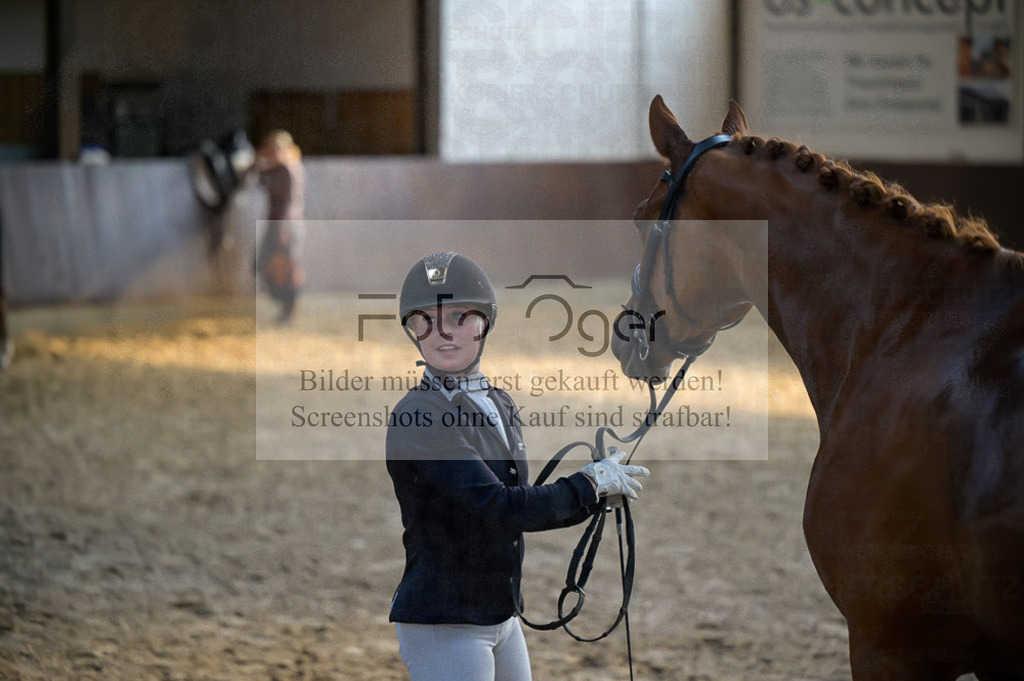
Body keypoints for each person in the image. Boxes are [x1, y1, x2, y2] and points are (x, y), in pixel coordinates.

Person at [386, 252, 650, 681]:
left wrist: (596, 495)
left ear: (484, 323)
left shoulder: (500, 403)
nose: (443, 332)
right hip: (446, 622)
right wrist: (586, 484)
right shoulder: (419, 416)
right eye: (426, 320)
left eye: (459, 316)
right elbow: (496, 506)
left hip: (500, 615)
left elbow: (517, 507)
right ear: (412, 330)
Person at [253, 130, 305, 324]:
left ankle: (290, 310)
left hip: (286, 225)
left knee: (288, 270)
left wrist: (283, 228)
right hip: (278, 224)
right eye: (271, 149)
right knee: (263, 265)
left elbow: (289, 202)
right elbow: (255, 172)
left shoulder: (288, 168)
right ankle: (285, 306)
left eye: (277, 149)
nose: (274, 153)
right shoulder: (276, 168)